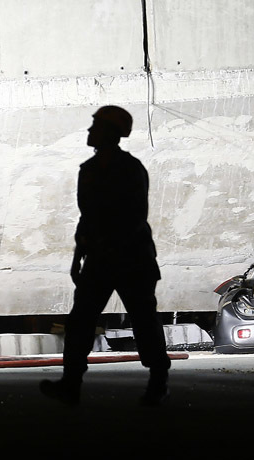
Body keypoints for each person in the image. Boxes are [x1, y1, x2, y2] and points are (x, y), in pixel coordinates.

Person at [40, 105, 171, 406]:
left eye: (95, 126)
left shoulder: (130, 169)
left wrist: (106, 249)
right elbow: (86, 219)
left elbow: (136, 215)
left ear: (111, 133)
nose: (89, 131)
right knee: (80, 322)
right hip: (101, 260)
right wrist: (79, 258)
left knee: (143, 321)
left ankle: (158, 382)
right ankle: (70, 384)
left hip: (131, 259)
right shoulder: (88, 170)